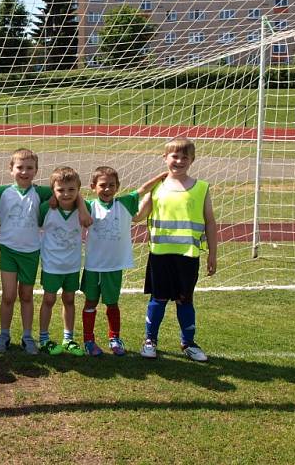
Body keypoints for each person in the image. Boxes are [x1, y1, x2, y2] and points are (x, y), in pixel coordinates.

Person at [0, 148, 91, 355]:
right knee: (8, 295)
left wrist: (83, 208)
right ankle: (4, 335)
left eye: (29, 168)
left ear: (36, 170)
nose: (24, 172)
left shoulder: (42, 193)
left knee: (26, 295)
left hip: (31, 253)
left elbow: (71, 191)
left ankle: (27, 336)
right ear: (10, 169)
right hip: (8, 251)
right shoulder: (0, 192)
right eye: (20, 167)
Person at [138, 137, 217, 362]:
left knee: (185, 300)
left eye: (185, 157)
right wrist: (142, 191)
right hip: (160, 254)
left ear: (192, 160)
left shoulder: (201, 188)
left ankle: (188, 343)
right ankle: (150, 341)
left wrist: (213, 253)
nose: (179, 160)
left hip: (188, 256)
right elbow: (136, 217)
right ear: (165, 158)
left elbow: (210, 222)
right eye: (174, 156)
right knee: (159, 298)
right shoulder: (157, 189)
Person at [81, 167, 166, 357]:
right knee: (91, 302)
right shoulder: (88, 206)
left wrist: (162, 176)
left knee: (112, 303)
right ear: (93, 187)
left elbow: (143, 189)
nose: (107, 189)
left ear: (118, 186)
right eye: (102, 185)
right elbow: (74, 199)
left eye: (112, 185)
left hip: (114, 266)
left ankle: (114, 338)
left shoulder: (125, 203)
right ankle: (88, 340)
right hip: (94, 265)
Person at [37, 166, 89, 357]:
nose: (66, 194)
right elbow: (35, 224)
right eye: (60, 190)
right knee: (49, 299)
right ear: (53, 191)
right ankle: (43, 338)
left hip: (73, 265)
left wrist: (81, 202)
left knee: (69, 299)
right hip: (52, 264)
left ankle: (68, 338)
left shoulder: (84, 208)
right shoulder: (46, 209)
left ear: (78, 190)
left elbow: (88, 219)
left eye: (71, 190)